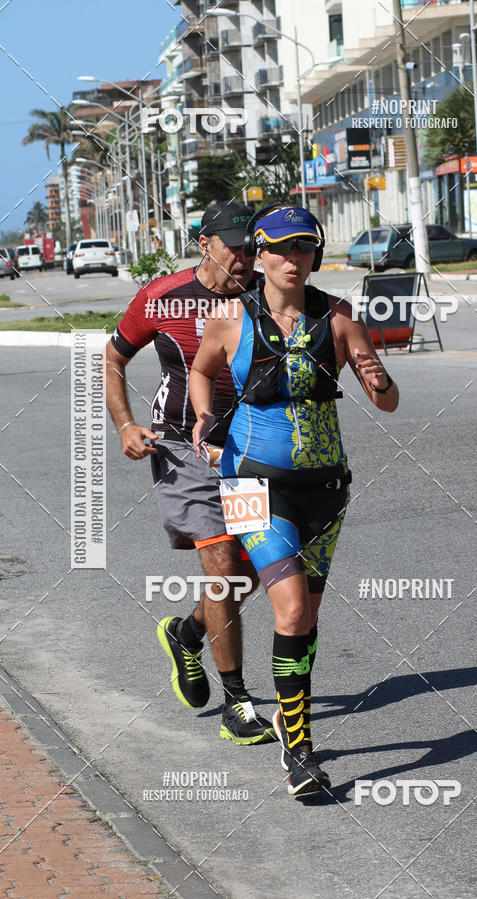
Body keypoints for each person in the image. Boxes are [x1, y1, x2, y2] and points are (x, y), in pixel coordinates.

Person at [189, 205, 398, 795]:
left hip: (325, 491)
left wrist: (376, 374)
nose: (292, 258)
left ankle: (288, 713)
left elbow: (387, 402)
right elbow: (202, 370)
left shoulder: (338, 318)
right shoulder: (230, 318)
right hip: (249, 482)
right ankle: (300, 752)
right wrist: (206, 416)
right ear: (259, 255)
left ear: (315, 255)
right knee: (290, 610)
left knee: (306, 620)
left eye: (304, 247)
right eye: (280, 248)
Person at [105, 201, 275, 746]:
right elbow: (112, 358)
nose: (247, 258)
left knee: (252, 571)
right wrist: (126, 424)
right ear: (205, 243)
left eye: (254, 247)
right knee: (222, 562)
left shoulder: (265, 297)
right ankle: (237, 700)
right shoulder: (161, 297)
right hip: (183, 448)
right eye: (236, 247)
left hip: (247, 452)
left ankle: (188, 633)